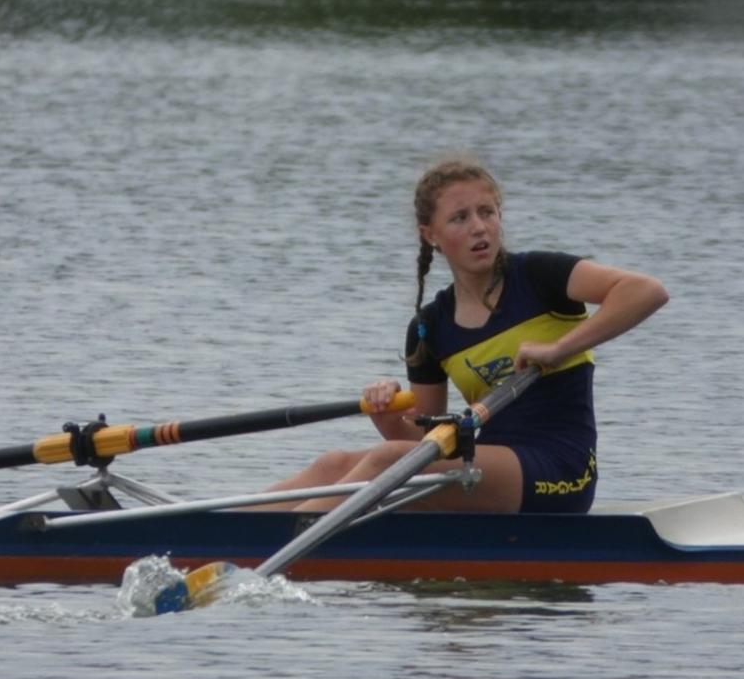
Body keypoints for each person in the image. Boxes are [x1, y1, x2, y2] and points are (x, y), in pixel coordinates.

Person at [264, 157, 668, 514]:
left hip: (562, 472)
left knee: (386, 460)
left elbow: (646, 291)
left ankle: (267, 549)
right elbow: (427, 442)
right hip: (486, 463)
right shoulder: (429, 327)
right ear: (430, 235)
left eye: (487, 212)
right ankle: (228, 537)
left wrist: (560, 348)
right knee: (333, 463)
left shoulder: (539, 277)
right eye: (460, 218)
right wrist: (386, 417)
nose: (479, 227)